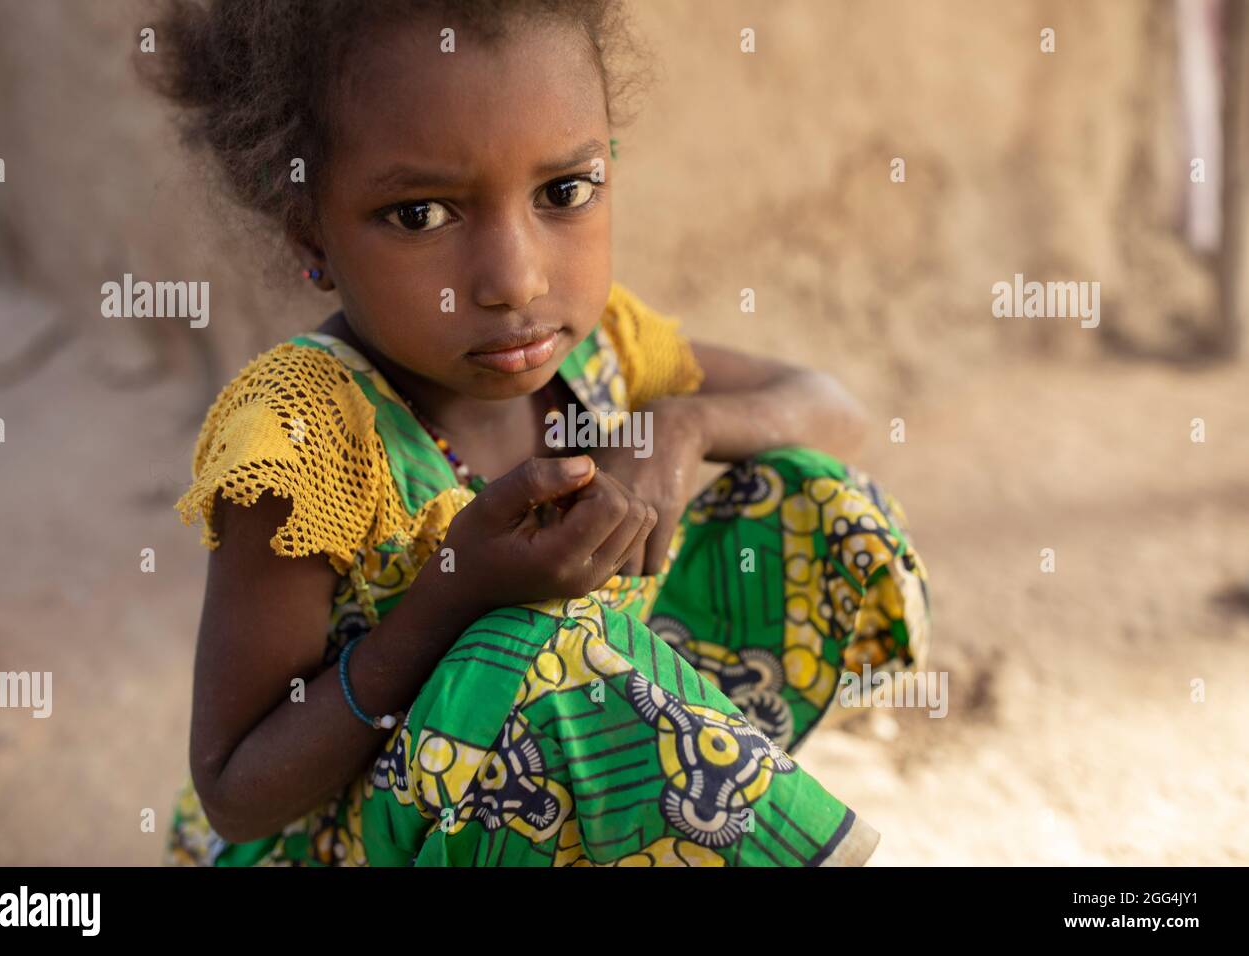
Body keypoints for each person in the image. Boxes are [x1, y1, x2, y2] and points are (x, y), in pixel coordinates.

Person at [149, 0, 930, 867]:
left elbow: (831, 407)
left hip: (533, 796)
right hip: (349, 844)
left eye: (564, 192)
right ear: (314, 238)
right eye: (420, 215)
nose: (515, 280)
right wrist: (454, 597)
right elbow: (236, 792)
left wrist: (682, 424)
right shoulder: (303, 440)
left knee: (821, 505)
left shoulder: (601, 356)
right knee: (546, 646)